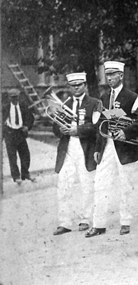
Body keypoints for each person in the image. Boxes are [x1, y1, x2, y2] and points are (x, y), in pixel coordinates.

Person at [86, 61, 138, 238]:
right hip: (107, 146)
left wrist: (125, 132)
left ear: (121, 75)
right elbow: (101, 124)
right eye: (107, 74)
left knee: (126, 185)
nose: (109, 78)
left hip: (125, 145)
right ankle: (98, 224)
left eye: (113, 74)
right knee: (100, 183)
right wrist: (97, 148)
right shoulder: (103, 97)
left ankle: (125, 221)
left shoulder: (132, 96)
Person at [52, 73, 102, 235]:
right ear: (69, 87)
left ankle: (85, 219)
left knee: (87, 184)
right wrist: (60, 129)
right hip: (68, 148)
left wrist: (77, 130)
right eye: (73, 85)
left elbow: (97, 127)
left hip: (85, 148)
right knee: (63, 185)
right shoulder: (64, 103)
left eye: (79, 84)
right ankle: (64, 222)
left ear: (85, 85)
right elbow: (55, 128)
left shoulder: (94, 103)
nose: (76, 88)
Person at [2, 88, 35, 185]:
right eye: (12, 97)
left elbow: (30, 117)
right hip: (9, 133)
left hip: (20, 133)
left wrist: (27, 126)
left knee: (25, 155)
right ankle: (16, 177)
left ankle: (25, 174)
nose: (14, 99)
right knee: (12, 156)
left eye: (16, 97)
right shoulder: (5, 107)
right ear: (9, 98)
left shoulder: (23, 105)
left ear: (19, 96)